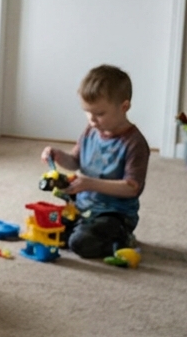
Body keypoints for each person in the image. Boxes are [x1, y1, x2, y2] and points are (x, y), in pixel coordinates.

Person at [40, 65, 149, 259]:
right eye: (87, 112)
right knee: (50, 230)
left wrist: (89, 184)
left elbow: (132, 187)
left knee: (80, 244)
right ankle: (81, 229)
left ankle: (123, 238)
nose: (92, 119)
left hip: (114, 214)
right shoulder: (91, 131)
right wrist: (58, 155)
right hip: (83, 208)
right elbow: (75, 161)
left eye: (99, 114)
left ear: (124, 107)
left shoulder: (135, 143)